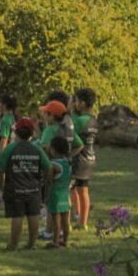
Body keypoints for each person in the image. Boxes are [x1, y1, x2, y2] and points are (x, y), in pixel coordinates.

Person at [0, 118, 59, 250]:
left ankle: (13, 244)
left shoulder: (10, 148)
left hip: (15, 188)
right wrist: (46, 183)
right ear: (31, 133)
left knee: (17, 216)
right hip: (34, 188)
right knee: (33, 215)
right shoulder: (36, 149)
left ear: (16, 133)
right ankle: (31, 244)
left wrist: (1, 186)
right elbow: (48, 167)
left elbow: (0, 168)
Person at [37, 100, 84, 241]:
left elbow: (44, 147)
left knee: (52, 203)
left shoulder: (49, 130)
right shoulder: (68, 129)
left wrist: (46, 162)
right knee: (64, 202)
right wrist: (68, 155)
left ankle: (49, 231)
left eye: (46, 113)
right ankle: (63, 231)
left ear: (51, 116)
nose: (44, 116)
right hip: (66, 166)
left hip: (53, 168)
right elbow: (80, 145)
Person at [70, 88, 98, 230]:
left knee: (71, 188)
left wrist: (70, 109)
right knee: (83, 190)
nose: (75, 104)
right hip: (90, 157)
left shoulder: (79, 120)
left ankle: (75, 217)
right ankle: (83, 222)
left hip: (79, 158)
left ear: (82, 103)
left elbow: (69, 126)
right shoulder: (93, 120)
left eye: (76, 101)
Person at [0, 95, 18, 206]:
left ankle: (5, 195)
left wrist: (0, 155)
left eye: (0, 103)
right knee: (3, 174)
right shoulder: (9, 117)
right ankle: (4, 194)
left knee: (1, 174)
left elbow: (4, 138)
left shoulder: (6, 120)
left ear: (4, 105)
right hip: (10, 151)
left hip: (6, 152)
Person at [46, 137, 73, 248]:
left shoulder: (53, 165)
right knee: (66, 221)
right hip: (65, 194)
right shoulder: (68, 163)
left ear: (53, 149)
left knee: (56, 221)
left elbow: (49, 181)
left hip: (55, 194)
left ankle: (55, 242)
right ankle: (65, 241)